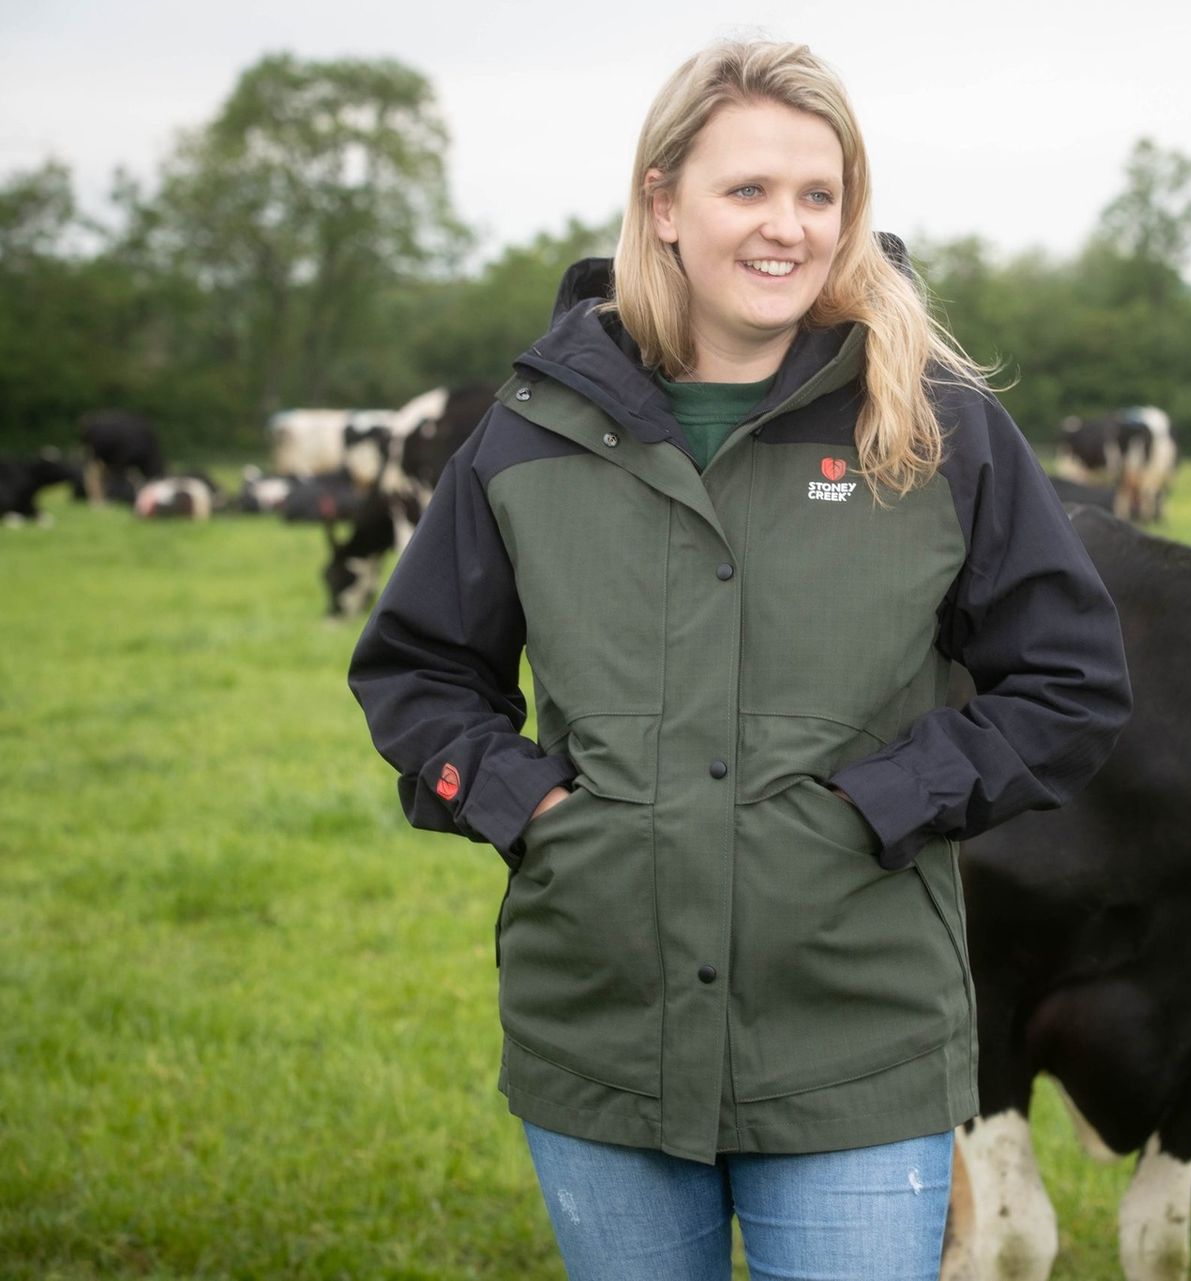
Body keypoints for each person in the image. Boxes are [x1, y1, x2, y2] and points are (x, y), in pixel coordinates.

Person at [347, 38, 1129, 1281]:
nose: (789, 228)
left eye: (820, 196)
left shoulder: (934, 424)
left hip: (856, 1035)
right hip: (599, 1027)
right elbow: (420, 671)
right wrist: (536, 813)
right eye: (748, 191)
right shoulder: (534, 430)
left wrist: (888, 799)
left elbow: (1071, 685)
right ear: (662, 204)